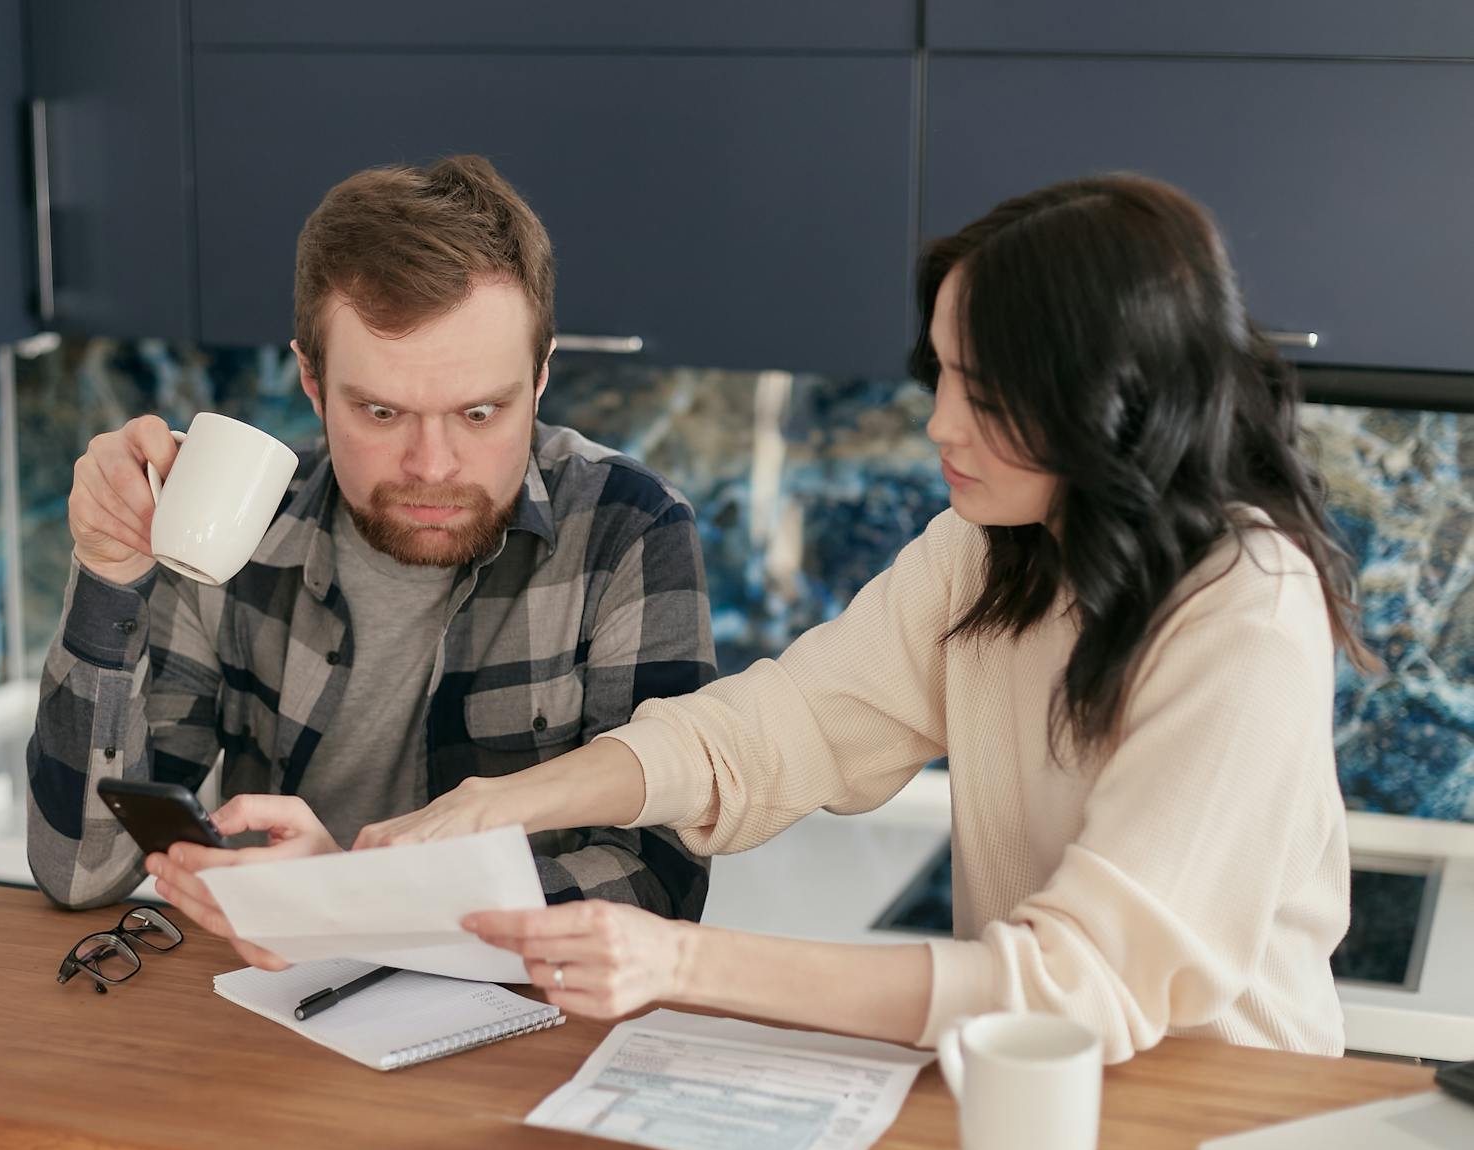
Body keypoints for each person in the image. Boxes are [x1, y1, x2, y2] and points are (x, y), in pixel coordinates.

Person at [150, 174, 1367, 1063]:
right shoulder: (992, 552)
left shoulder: (1243, 612)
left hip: (1214, 1121)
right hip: (1025, 1094)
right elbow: (771, 730)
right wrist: (502, 802)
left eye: (981, 394)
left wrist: (681, 965)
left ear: (1108, 404)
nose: (937, 426)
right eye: (936, 375)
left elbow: (1076, 982)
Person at [26, 155, 716, 924]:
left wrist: (363, 898)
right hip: (272, 997)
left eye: (481, 412)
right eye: (382, 413)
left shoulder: (628, 528)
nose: (432, 465)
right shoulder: (234, 527)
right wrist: (108, 573)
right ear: (314, 383)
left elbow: (659, 890)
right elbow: (81, 871)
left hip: (529, 1019)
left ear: (541, 376)